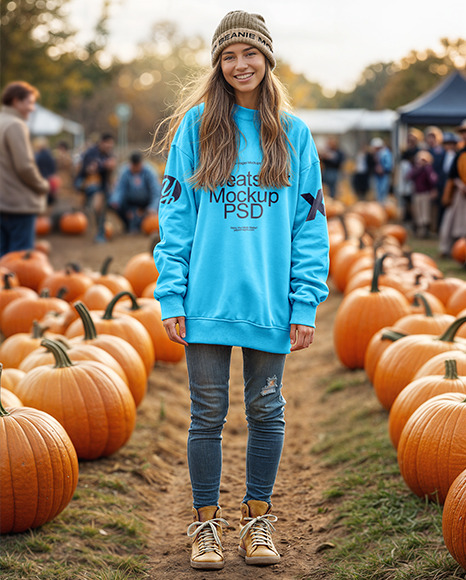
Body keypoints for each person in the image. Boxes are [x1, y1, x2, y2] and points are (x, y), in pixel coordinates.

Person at [152, 10, 329, 571]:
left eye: (249, 54)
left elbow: (310, 227)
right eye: (228, 56)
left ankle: (257, 520)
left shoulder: (294, 134)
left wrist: (304, 302)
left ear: (267, 59)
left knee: (266, 411)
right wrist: (171, 294)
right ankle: (206, 524)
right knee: (205, 415)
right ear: (217, 64)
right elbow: (175, 216)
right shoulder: (198, 128)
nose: (239, 64)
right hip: (205, 301)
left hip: (270, 304)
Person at [0, 81, 50, 257]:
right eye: (30, 102)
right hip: (17, 206)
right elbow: (25, 166)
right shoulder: (15, 125)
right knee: (19, 261)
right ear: (16, 101)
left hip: (2, 204)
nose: (33, 108)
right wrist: (42, 185)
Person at [74, 133, 117, 242]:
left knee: (105, 203)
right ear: (102, 143)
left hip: (103, 186)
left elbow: (110, 172)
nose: (109, 148)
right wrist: (104, 166)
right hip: (87, 184)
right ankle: (99, 232)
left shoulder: (109, 154)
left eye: (111, 146)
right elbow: (90, 170)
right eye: (107, 145)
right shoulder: (91, 153)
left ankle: (101, 230)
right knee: (98, 203)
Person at [109, 151, 161, 232]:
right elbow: (120, 189)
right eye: (133, 166)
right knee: (117, 205)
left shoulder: (149, 172)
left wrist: (152, 207)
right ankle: (128, 224)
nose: (135, 168)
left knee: (148, 219)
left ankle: (141, 223)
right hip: (130, 203)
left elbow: (156, 191)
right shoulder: (125, 172)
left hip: (146, 203)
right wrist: (115, 201)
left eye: (138, 165)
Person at [438, 120, 466, 257]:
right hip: (461, 193)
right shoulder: (460, 153)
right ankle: (450, 249)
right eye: (463, 133)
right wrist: (460, 184)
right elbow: (453, 174)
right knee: (454, 222)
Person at [407, 150, 438, 238]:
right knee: (418, 212)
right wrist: (419, 168)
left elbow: (433, 180)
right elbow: (409, 176)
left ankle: (425, 231)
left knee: (425, 212)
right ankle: (420, 230)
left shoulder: (428, 169)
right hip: (417, 193)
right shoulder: (415, 169)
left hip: (425, 193)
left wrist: (427, 168)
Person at [33, 136, 59, 206]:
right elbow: (53, 167)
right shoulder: (49, 154)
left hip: (43, 177)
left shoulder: (40, 155)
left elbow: (36, 166)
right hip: (48, 177)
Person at [371, 137, 393, 205]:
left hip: (384, 175)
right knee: (378, 191)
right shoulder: (378, 153)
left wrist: (383, 169)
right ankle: (379, 204)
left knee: (383, 191)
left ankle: (383, 206)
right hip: (378, 175)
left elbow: (389, 165)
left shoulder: (386, 153)